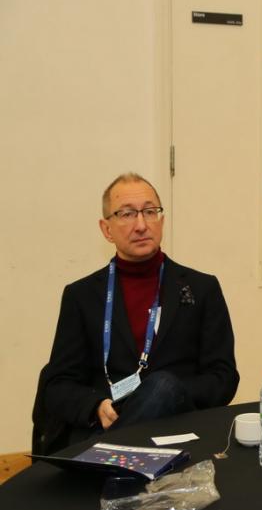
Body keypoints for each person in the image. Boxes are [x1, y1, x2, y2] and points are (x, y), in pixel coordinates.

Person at [32, 173, 239, 454]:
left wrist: (168, 395)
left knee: (162, 385)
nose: (141, 225)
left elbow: (223, 378)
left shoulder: (202, 288)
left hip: (178, 427)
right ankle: (112, 452)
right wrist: (96, 406)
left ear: (161, 221)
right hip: (104, 422)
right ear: (106, 229)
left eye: (150, 212)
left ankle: (103, 457)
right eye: (127, 214)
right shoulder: (82, 295)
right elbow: (57, 386)